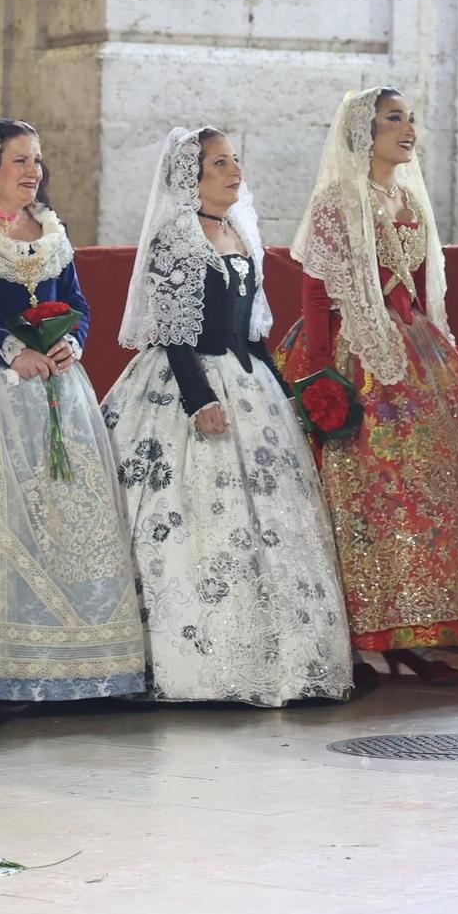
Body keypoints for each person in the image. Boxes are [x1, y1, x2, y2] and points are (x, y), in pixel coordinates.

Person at [103, 127, 352, 705]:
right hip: (188, 384)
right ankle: (193, 659)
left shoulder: (240, 231)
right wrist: (200, 400)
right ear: (191, 176)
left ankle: (283, 658)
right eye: (219, 162)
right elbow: (171, 332)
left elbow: (254, 331)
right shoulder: (176, 238)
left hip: (247, 382)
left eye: (236, 159)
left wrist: (285, 392)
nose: (234, 170)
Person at [0, 114, 145, 702]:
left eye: (37, 160)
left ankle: (81, 660)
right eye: (20, 160)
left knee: (67, 513)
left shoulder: (51, 230)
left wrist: (73, 340)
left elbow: (79, 304)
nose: (33, 171)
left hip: (57, 390)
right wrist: (6, 347)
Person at [278, 88, 458, 684]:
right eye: (393, 120)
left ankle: (413, 631)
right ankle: (355, 636)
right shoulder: (336, 201)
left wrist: (448, 348)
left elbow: (424, 288)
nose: (407, 130)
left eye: (410, 120)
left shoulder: (408, 200)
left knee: (424, 486)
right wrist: (319, 376)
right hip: (356, 352)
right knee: (359, 489)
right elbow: (317, 292)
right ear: (364, 132)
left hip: (414, 348)